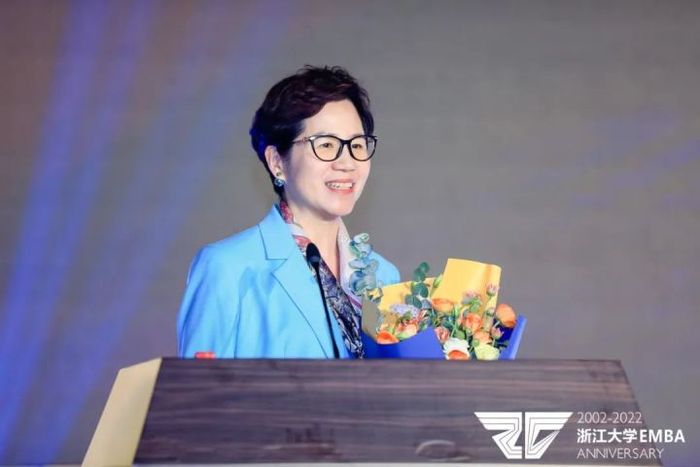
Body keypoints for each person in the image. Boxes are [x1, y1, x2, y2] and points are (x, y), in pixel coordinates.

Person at [177, 66, 400, 359]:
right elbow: (196, 387)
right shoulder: (227, 269)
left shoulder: (384, 276)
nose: (347, 163)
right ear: (276, 162)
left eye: (357, 145)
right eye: (326, 145)